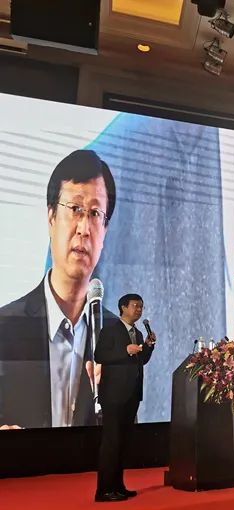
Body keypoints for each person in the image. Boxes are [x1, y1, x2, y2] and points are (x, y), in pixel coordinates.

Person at [0, 150, 117, 429]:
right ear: (51, 217)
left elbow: (128, 438)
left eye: (95, 213)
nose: (84, 228)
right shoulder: (5, 328)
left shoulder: (116, 337)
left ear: (104, 231)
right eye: (75, 209)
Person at [94, 293, 155, 502]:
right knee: (111, 441)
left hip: (131, 394)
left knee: (123, 442)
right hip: (113, 395)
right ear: (123, 307)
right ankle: (104, 490)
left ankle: (118, 486)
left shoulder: (137, 333)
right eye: (135, 306)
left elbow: (141, 361)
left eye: (141, 307)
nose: (139, 310)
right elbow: (100, 356)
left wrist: (148, 346)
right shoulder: (110, 330)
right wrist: (125, 351)